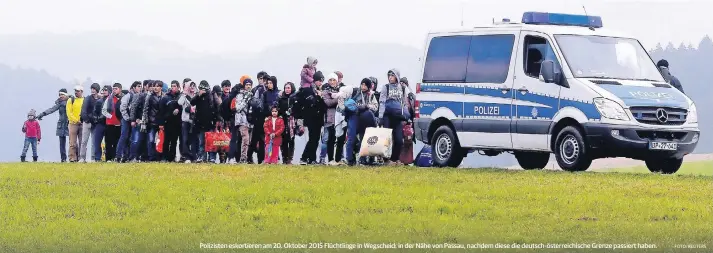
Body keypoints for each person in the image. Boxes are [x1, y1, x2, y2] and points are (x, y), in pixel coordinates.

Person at [294, 71, 326, 165]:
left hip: (319, 119)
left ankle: (312, 159)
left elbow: (322, 106)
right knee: (312, 139)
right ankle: (304, 157)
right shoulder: (309, 90)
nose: (320, 83)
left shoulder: (319, 91)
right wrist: (319, 97)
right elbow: (311, 104)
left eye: (321, 81)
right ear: (315, 80)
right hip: (311, 118)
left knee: (315, 140)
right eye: (319, 81)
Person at [378, 69, 409, 165]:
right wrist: (380, 116)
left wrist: (406, 116)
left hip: (398, 116)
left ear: (397, 76)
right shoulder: (385, 87)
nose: (390, 77)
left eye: (392, 75)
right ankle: (386, 160)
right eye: (389, 75)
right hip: (387, 115)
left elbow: (404, 103)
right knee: (387, 139)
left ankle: (394, 159)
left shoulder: (402, 88)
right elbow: (382, 102)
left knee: (399, 140)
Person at [346, 78, 378, 165]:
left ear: (368, 86)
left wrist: (366, 106)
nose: (363, 87)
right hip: (354, 117)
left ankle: (363, 159)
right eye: (362, 84)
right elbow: (347, 103)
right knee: (351, 137)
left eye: (365, 85)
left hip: (364, 119)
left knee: (364, 139)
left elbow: (375, 107)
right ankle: (349, 159)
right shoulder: (355, 92)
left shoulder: (371, 95)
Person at [36, 88, 70, 162]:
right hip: (61, 125)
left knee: (72, 142)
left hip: (70, 124)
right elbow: (51, 109)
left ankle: (73, 158)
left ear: (66, 95)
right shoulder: (59, 104)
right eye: (59, 95)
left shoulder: (71, 101)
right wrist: (42, 114)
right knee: (61, 143)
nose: (60, 96)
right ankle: (63, 159)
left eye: (62, 94)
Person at [191, 80, 220, 163]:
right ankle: (201, 157)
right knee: (201, 142)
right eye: (201, 89)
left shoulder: (212, 95)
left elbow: (218, 107)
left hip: (211, 123)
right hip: (200, 123)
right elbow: (192, 103)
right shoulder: (198, 96)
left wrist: (218, 120)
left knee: (211, 142)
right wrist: (198, 95)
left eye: (203, 89)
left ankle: (212, 158)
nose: (202, 90)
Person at [117, 81, 142, 162]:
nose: (140, 88)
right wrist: (128, 118)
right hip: (126, 120)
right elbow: (122, 108)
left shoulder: (139, 96)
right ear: (134, 87)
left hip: (133, 120)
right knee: (123, 137)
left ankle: (126, 156)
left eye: (140, 86)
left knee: (131, 139)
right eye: (138, 86)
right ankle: (118, 156)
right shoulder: (128, 96)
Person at [319, 72, 341, 165]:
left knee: (339, 139)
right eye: (330, 80)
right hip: (329, 118)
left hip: (339, 118)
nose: (332, 82)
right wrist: (339, 98)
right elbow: (328, 103)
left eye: (334, 80)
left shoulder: (340, 90)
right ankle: (329, 159)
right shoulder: (325, 91)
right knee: (330, 139)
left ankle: (338, 159)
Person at [159, 80, 183, 162]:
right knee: (166, 140)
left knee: (174, 141)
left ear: (178, 87)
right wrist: (161, 123)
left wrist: (179, 110)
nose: (173, 88)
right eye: (172, 86)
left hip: (177, 122)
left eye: (175, 86)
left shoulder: (181, 96)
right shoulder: (166, 97)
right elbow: (161, 111)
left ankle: (172, 157)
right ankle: (164, 157)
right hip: (168, 122)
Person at [231, 79, 253, 163]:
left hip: (251, 121)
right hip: (242, 120)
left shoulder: (253, 94)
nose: (248, 86)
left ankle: (247, 158)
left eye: (250, 84)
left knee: (249, 141)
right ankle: (243, 159)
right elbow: (238, 108)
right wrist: (246, 99)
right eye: (247, 84)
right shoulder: (239, 95)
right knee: (245, 139)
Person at [247, 74, 268, 164]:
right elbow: (253, 102)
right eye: (262, 79)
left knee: (263, 140)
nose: (264, 82)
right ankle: (249, 157)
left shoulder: (270, 90)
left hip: (266, 117)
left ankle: (261, 159)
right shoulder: (258, 90)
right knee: (255, 139)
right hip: (258, 117)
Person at [79, 83, 101, 162]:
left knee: (94, 142)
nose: (92, 90)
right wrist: (86, 120)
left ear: (97, 90)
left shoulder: (99, 99)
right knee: (84, 141)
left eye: (94, 89)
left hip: (95, 123)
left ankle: (93, 158)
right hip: (87, 122)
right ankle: (82, 158)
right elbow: (83, 110)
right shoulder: (88, 98)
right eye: (92, 89)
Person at [102, 82, 124, 162]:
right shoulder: (109, 98)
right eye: (113, 88)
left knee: (117, 142)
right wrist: (111, 117)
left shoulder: (123, 98)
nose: (114, 90)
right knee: (108, 142)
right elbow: (103, 110)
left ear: (120, 89)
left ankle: (116, 157)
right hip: (110, 124)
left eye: (116, 89)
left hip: (119, 124)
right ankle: (108, 158)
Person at [129, 80, 150, 162]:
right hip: (138, 121)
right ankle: (132, 157)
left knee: (144, 141)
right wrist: (133, 120)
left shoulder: (150, 96)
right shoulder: (138, 95)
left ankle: (142, 157)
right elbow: (133, 108)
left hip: (146, 122)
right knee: (135, 140)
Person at [142, 81, 163, 162]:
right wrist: (145, 120)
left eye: (157, 86)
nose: (155, 88)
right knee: (150, 140)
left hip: (161, 122)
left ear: (161, 87)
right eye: (154, 86)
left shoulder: (164, 96)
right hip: (151, 121)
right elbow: (145, 109)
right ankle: (151, 157)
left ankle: (159, 157)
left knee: (160, 140)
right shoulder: (150, 97)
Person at [278, 82, 297, 164]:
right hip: (283, 121)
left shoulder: (295, 98)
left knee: (291, 140)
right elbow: (278, 110)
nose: (287, 89)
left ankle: (290, 158)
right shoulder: (281, 99)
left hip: (292, 122)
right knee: (284, 141)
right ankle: (284, 158)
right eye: (286, 88)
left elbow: (298, 109)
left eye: (289, 88)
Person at [399, 77, 416, 165]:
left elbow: (413, 109)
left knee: (408, 141)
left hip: (408, 122)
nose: (402, 85)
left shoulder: (410, 95)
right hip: (400, 121)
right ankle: (400, 159)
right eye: (400, 83)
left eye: (403, 83)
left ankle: (408, 160)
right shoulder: (397, 94)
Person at [178, 79, 197, 163]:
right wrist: (184, 93)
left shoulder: (197, 95)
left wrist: (194, 109)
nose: (192, 87)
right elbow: (179, 103)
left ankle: (193, 156)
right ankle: (186, 156)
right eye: (190, 86)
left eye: (193, 86)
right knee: (185, 139)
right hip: (186, 120)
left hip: (194, 120)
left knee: (193, 139)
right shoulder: (184, 95)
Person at [66, 85, 85, 162]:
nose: (76, 92)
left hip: (83, 123)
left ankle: (81, 158)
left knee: (82, 142)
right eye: (75, 91)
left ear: (81, 92)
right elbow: (69, 112)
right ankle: (72, 158)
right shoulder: (71, 100)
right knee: (72, 142)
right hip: (73, 123)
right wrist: (76, 120)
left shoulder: (85, 100)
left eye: (78, 91)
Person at [92, 86, 110, 162]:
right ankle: (97, 158)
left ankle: (108, 158)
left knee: (108, 142)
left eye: (106, 90)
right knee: (97, 142)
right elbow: (95, 112)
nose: (105, 91)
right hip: (100, 124)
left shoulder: (111, 101)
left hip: (109, 124)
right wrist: (97, 119)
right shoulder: (99, 101)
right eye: (104, 90)